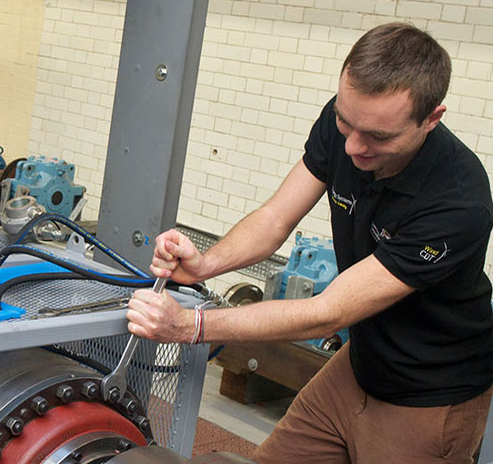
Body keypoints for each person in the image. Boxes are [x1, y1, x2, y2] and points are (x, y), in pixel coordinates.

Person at [127, 23, 493, 463]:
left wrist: (192, 327)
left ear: (432, 118)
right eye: (345, 121)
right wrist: (207, 263)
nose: (354, 147)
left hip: (429, 392)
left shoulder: (457, 201)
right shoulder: (347, 124)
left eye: (379, 137)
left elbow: (327, 314)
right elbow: (275, 217)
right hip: (360, 366)